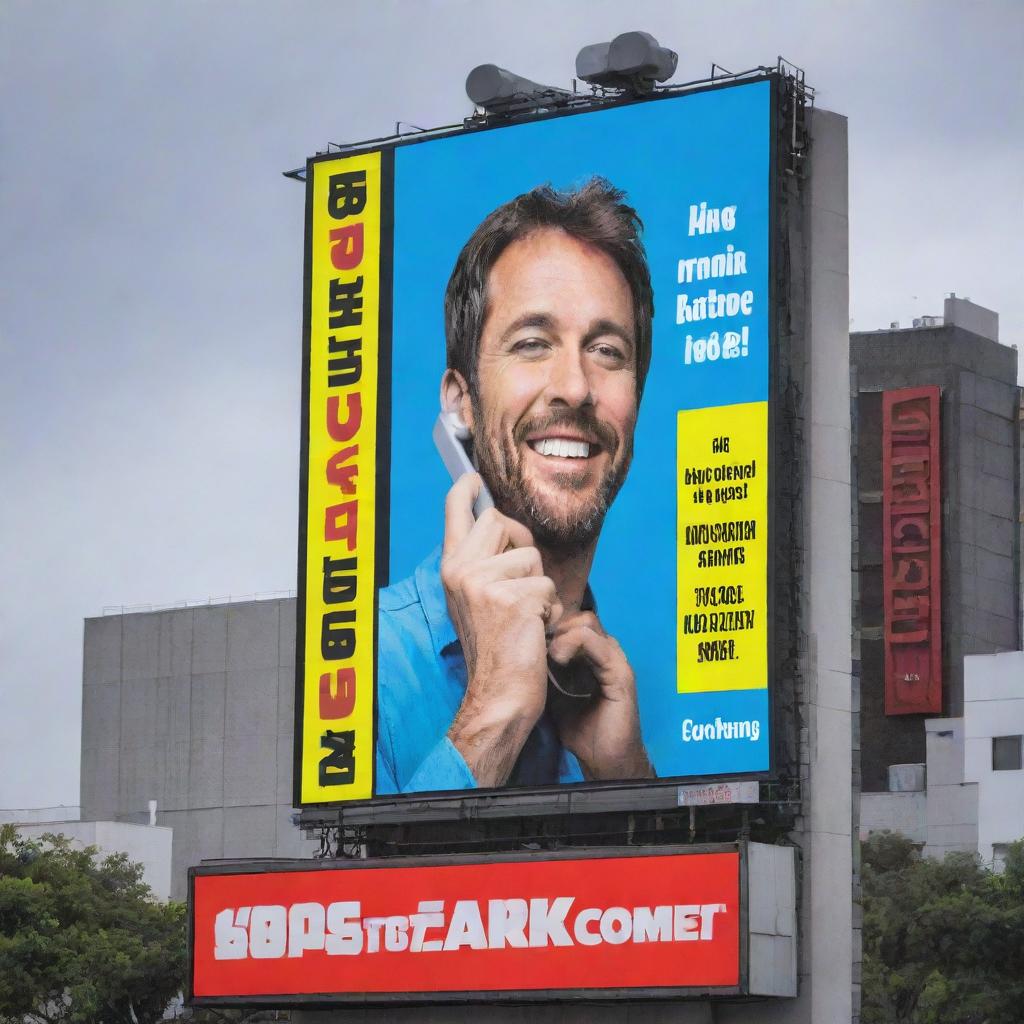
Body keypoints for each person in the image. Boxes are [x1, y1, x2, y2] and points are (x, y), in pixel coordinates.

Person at [376, 178, 656, 794]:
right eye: (533, 344)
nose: (577, 388)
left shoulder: (609, 704)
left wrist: (629, 781)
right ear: (461, 403)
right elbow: (356, 894)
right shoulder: (356, 665)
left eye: (608, 351)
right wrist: (497, 709)